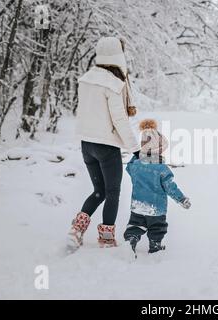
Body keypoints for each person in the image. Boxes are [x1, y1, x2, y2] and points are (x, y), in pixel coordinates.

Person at [67, 36, 140, 252]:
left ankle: (76, 230)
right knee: (113, 192)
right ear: (119, 56)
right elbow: (119, 120)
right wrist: (135, 149)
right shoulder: (114, 84)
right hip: (106, 147)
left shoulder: (87, 79)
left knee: (99, 191)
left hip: (87, 145)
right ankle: (106, 237)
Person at [124, 119, 191, 258]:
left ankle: (131, 241)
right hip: (156, 209)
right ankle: (155, 245)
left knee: (135, 226)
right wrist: (182, 199)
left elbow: (128, 168)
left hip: (137, 206)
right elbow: (170, 187)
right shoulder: (162, 169)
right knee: (157, 229)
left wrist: (136, 156)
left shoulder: (135, 165)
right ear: (158, 151)